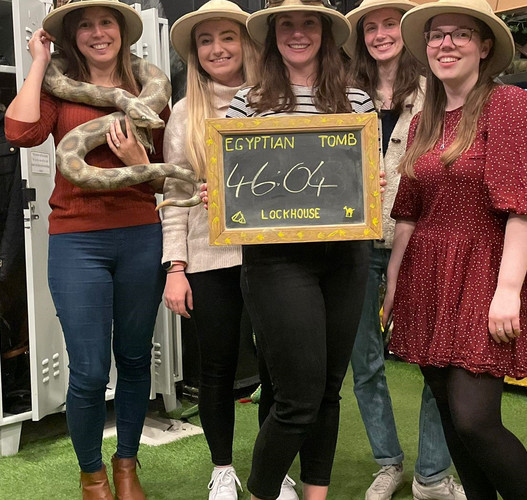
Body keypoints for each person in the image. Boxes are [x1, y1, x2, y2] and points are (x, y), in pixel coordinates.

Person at [383, 0, 527, 499]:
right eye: (437, 35)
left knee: (475, 419)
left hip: (483, 272)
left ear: (483, 47)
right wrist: (393, 284)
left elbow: (523, 209)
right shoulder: (424, 121)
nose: (446, 44)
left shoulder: (508, 105)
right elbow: (408, 214)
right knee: (447, 411)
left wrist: (507, 289)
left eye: (460, 34)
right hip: (426, 276)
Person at [5, 1, 169, 498]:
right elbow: (21, 132)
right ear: (72, 36)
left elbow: (166, 173)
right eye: (86, 26)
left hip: (140, 234)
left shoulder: (150, 91)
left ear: (122, 31)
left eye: (106, 22)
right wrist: (39, 61)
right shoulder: (59, 85)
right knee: (90, 370)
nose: (98, 34)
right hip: (77, 239)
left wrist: (137, 158)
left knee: (135, 359)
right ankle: (92, 475)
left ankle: (127, 465)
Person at [222, 1, 375, 499]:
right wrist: (218, 192)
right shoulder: (248, 101)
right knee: (297, 400)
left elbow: (366, 177)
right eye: (286, 24)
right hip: (277, 260)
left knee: (328, 391)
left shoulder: (356, 99)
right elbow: (229, 178)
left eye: (309, 22)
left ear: (325, 32)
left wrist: (373, 185)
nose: (297, 32)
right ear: (273, 35)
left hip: (346, 256)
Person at [344, 1, 465, 499]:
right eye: (370, 27)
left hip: (420, 240)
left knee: (435, 360)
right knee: (365, 362)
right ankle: (387, 462)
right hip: (352, 245)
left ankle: (431, 475)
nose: (380, 34)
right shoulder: (343, 93)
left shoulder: (436, 88)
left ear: (407, 30)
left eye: (389, 24)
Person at [161, 2, 261, 499]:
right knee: (217, 370)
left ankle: (270, 469)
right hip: (208, 259)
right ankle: (222, 469)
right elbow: (174, 195)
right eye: (206, 40)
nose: (217, 49)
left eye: (228, 37)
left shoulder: (278, 102)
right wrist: (175, 267)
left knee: (279, 371)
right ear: (195, 53)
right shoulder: (184, 113)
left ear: (247, 43)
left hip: (273, 256)